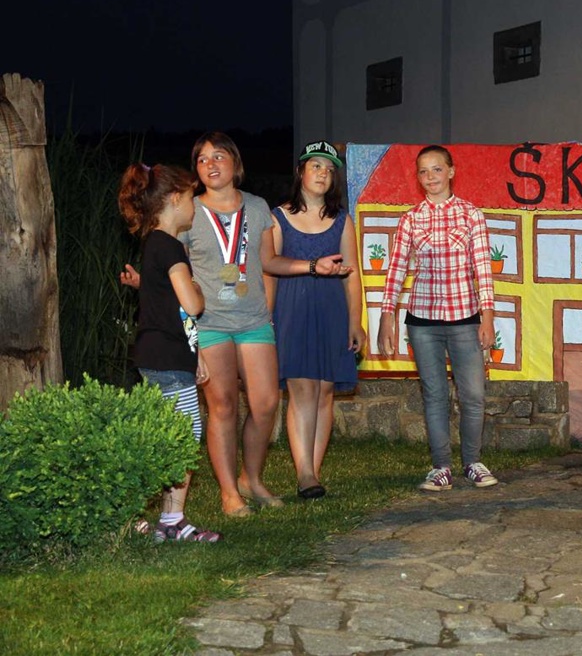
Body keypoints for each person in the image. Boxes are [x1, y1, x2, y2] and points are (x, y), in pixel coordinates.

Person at [121, 132, 349, 516]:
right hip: (209, 322)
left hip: (254, 320)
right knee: (223, 406)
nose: (210, 164)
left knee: (266, 403)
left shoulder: (258, 208)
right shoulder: (188, 210)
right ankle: (229, 493)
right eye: (202, 159)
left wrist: (312, 266)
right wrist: (148, 284)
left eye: (218, 156)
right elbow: (173, 270)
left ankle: (251, 479)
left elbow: (269, 262)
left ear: (235, 162)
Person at [377, 145, 499, 491]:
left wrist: (488, 318)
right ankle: (441, 467)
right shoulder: (410, 219)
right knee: (435, 396)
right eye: (423, 171)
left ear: (451, 171)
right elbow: (396, 269)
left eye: (436, 169)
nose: (430, 177)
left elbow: (482, 270)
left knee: (473, 395)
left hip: (465, 318)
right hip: (423, 321)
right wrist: (387, 315)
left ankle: (472, 462)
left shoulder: (471, 215)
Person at [118, 163, 220, 542]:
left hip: (162, 356)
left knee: (172, 436)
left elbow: (170, 308)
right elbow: (190, 305)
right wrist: (199, 291)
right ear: (175, 199)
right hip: (166, 358)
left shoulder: (153, 243)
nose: (195, 206)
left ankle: (165, 519)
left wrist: (197, 355)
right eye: (192, 197)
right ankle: (163, 518)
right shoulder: (171, 247)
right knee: (182, 438)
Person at [270, 141, 364, 500]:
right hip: (292, 309)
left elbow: (352, 275)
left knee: (325, 390)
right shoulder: (278, 217)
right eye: (315, 166)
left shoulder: (342, 220)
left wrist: (355, 321)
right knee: (301, 388)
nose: (322, 173)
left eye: (328, 168)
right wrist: (268, 317)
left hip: (331, 309)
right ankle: (305, 472)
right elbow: (270, 267)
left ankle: (314, 469)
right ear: (300, 172)